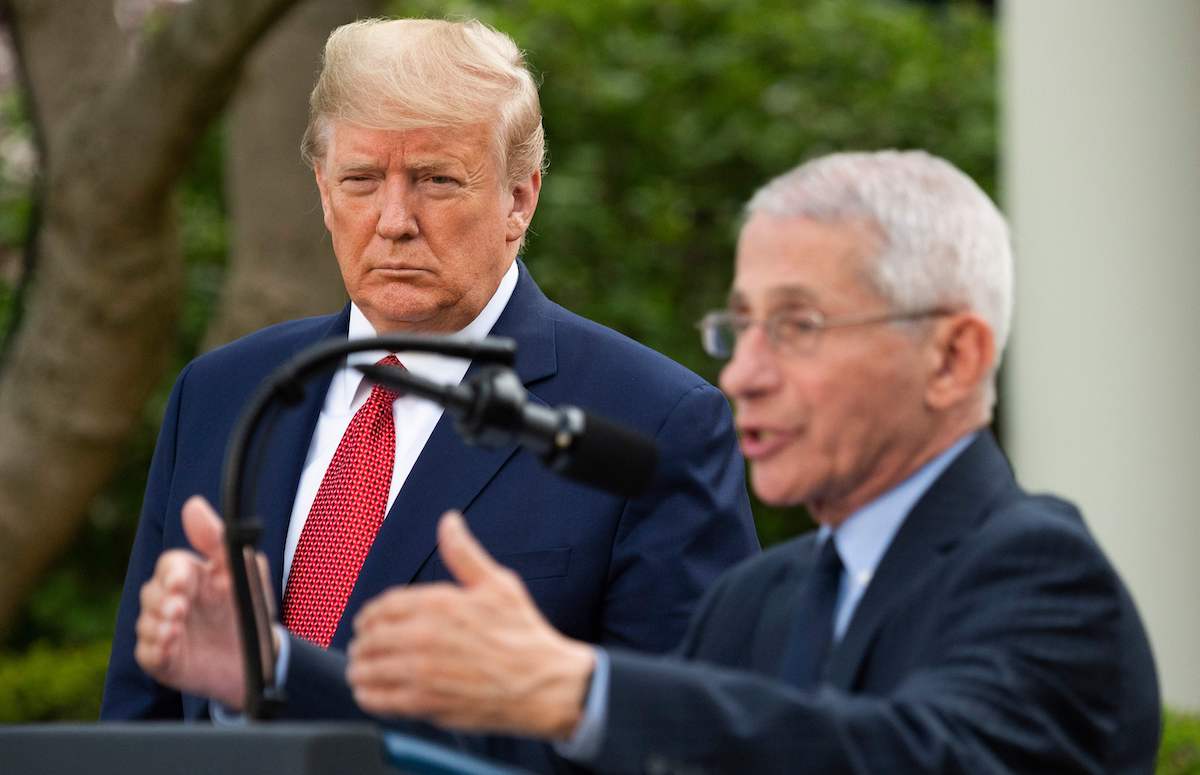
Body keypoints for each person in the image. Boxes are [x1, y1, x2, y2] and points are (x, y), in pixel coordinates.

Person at [332, 150, 1161, 773]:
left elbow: (910, 755)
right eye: (740, 328)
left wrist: (581, 688)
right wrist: (262, 662)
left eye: (798, 325)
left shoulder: (1044, 574)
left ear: (952, 358)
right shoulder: (756, 597)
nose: (742, 375)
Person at [101, 17, 758, 768]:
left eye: (437, 180)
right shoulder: (223, 394)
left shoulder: (654, 421)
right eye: (360, 180)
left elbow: (688, 746)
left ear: (520, 199)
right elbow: (138, 717)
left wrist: (282, 671)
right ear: (322, 190)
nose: (393, 222)